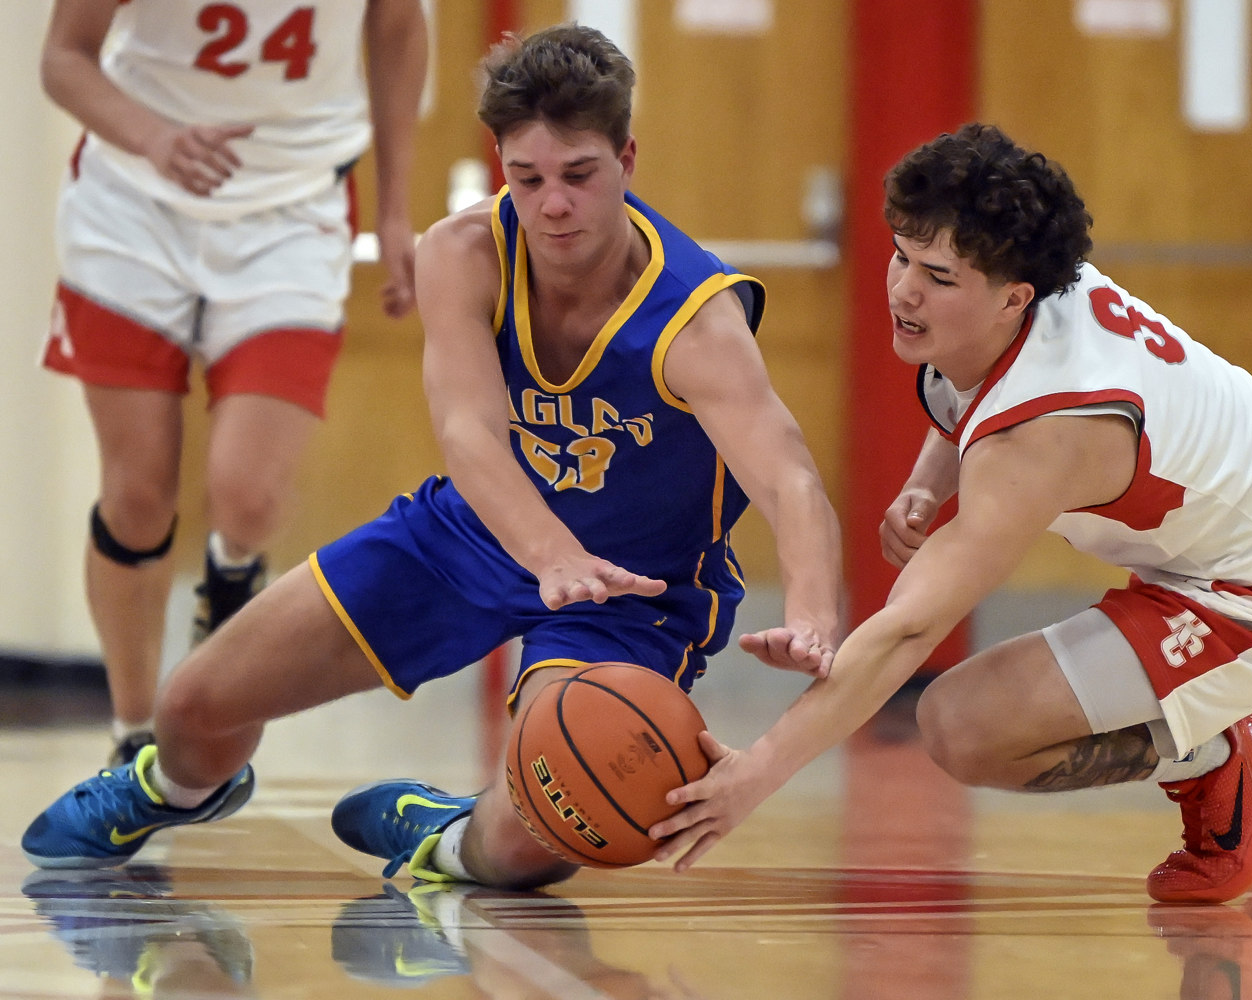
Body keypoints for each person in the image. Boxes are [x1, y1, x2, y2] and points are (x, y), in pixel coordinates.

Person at [21, 23, 843, 894]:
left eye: (578, 176)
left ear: (627, 159)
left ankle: (441, 837)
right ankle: (174, 788)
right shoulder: (463, 254)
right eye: (526, 179)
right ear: (500, 167)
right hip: (476, 531)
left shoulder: (694, 319)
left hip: (631, 589)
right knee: (191, 706)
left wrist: (815, 613)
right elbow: (469, 435)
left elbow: (789, 477)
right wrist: (547, 552)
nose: (553, 204)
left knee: (544, 837)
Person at [649, 123, 1252, 904]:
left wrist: (754, 774)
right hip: (1246, 513)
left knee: (962, 728)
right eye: (901, 255)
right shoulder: (1027, 284)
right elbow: (968, 389)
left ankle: (1224, 753)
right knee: (976, 714)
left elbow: (907, 629)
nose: (904, 288)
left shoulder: (1039, 440)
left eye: (937, 276)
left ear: (1012, 297)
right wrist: (927, 483)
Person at [38, 0, 428, 767]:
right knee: (138, 494)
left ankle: (232, 577)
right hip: (132, 200)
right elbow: (63, 57)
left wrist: (394, 209)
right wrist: (155, 138)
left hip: (292, 203)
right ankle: (131, 736)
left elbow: (397, 25)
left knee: (250, 493)